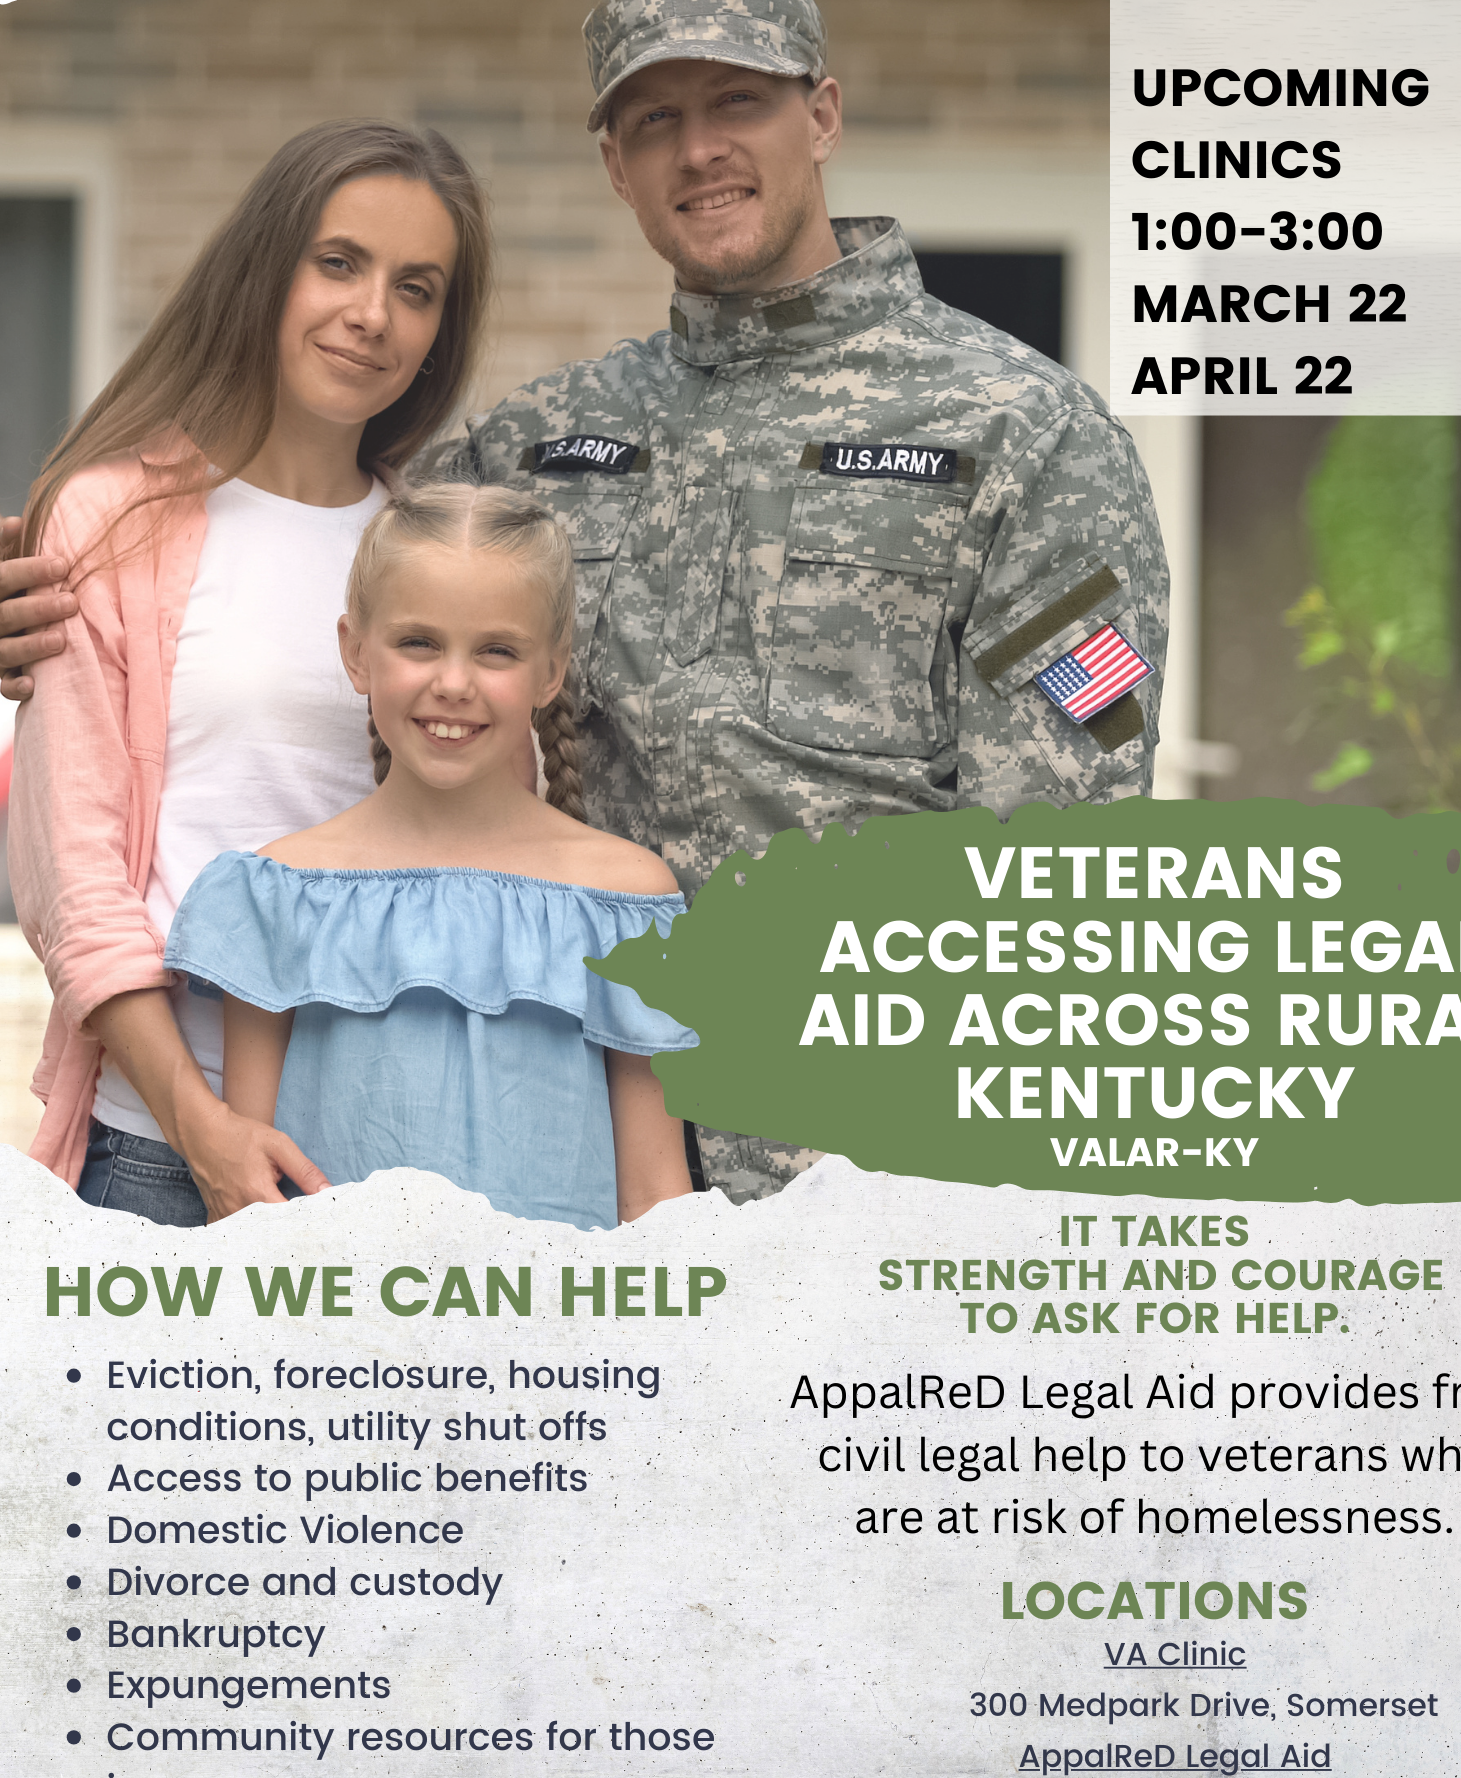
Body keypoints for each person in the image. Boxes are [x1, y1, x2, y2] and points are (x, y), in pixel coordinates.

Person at [2, 0, 1169, 1206]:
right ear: (614, 161)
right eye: (655, 117)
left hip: (861, 1177)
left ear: (822, 114)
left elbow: (1062, 858)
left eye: (740, 102)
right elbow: (311, 591)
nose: (699, 149)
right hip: (552, 1172)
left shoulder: (1030, 438)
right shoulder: (538, 447)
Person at [6, 119, 497, 1224]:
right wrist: (202, 1129)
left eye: (416, 288)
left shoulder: (434, 552)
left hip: (403, 1148)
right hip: (163, 1156)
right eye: (339, 263)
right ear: (265, 265)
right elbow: (76, 884)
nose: (373, 314)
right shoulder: (111, 522)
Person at [164, 485, 694, 1228]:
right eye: (418, 642)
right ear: (356, 652)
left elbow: (655, 1201)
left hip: (564, 1337)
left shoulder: (626, 903)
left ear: (550, 672)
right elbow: (249, 1211)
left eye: (496, 651)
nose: (452, 683)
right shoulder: (278, 894)